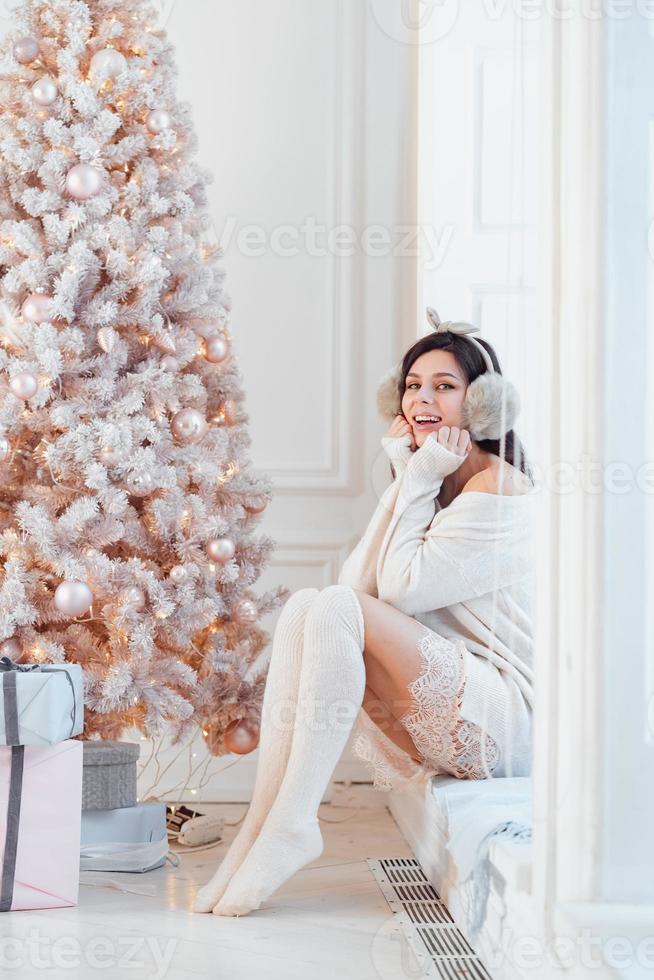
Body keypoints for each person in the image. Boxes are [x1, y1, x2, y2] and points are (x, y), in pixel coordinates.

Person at [194, 309, 536, 917]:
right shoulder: (438, 479)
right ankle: (270, 820)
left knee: (336, 607)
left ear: (482, 405)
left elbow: (395, 595)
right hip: (457, 694)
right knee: (310, 604)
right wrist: (413, 474)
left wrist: (417, 474)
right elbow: (356, 586)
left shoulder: (496, 491)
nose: (422, 400)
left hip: (504, 718)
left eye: (444, 386)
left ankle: (293, 819)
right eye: (412, 386)